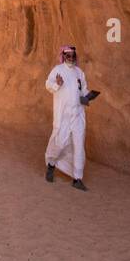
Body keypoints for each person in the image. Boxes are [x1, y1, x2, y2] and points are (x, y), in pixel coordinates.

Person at [44, 43, 97, 191]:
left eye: (73, 56)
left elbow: (83, 89)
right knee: (59, 143)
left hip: (78, 115)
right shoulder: (57, 70)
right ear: (63, 56)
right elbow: (48, 84)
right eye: (68, 55)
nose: (71, 58)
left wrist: (87, 97)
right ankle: (51, 164)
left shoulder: (79, 72)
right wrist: (57, 84)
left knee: (79, 146)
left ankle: (77, 178)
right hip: (63, 116)